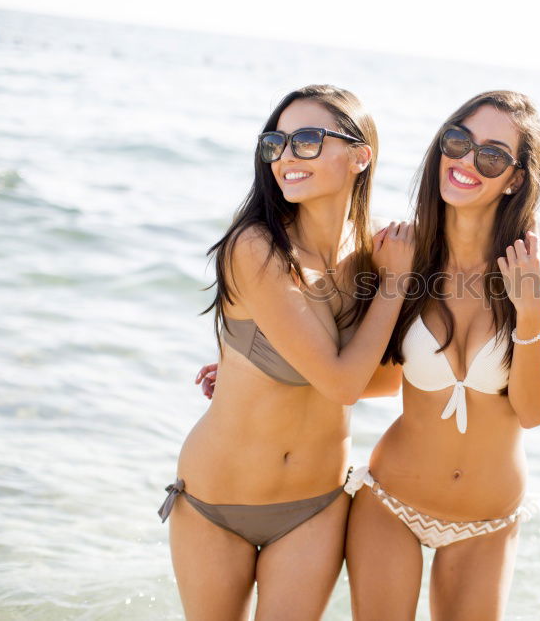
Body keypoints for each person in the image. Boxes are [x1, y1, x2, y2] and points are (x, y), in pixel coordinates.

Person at [159, 84, 414, 621]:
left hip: (314, 506)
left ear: (359, 156)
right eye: (277, 142)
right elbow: (344, 383)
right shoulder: (256, 247)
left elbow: (385, 383)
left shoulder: (375, 253)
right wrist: (393, 288)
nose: (286, 157)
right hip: (215, 501)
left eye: (307, 140)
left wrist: (277, 369)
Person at [344, 90, 540, 620]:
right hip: (390, 502)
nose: (466, 161)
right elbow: (359, 374)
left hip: (487, 522)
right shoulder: (398, 251)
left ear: (516, 178)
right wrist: (259, 373)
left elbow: (535, 411)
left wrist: (530, 309)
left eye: (491, 155)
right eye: (458, 140)